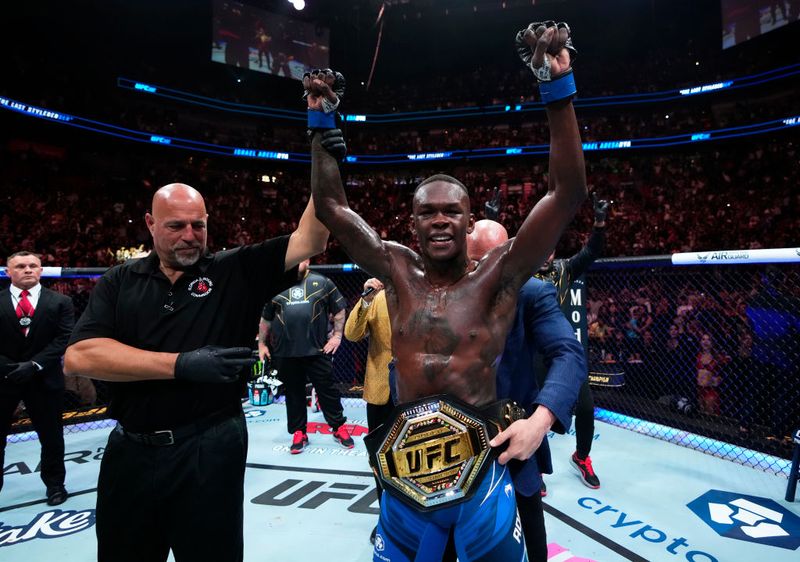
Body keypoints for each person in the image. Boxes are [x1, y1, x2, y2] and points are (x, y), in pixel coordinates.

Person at [307, 20, 587, 561]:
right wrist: (320, 122)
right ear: (412, 224)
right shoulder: (395, 270)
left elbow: (567, 192)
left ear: (467, 220)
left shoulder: (500, 278)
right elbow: (333, 210)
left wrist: (557, 89)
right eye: (427, 212)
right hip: (406, 469)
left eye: (451, 212)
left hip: (483, 464)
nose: (439, 221)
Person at [63, 182, 328, 562]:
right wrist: (181, 364)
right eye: (176, 226)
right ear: (150, 224)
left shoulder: (233, 270)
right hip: (130, 449)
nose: (190, 237)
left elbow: (311, 238)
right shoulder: (119, 281)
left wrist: (323, 164)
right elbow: (80, 357)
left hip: (210, 445)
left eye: (198, 226)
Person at [460, 220, 586, 562]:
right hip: (456, 437)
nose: (484, 270)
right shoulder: (447, 293)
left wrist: (539, 421)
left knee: (529, 518)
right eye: (475, 262)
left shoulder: (531, 292)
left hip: (512, 432)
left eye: (494, 260)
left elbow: (569, 353)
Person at [534, 191, 609, 490]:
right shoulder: (521, 273)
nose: (547, 252)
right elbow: (499, 256)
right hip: (534, 353)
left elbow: (591, 253)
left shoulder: (564, 269)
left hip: (563, 352)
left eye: (550, 247)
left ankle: (582, 456)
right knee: (534, 410)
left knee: (587, 408)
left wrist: (600, 223)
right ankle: (536, 468)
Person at [0, 251, 75, 506]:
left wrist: (34, 364)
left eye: (33, 266)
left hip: (43, 378)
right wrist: (9, 367)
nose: (28, 270)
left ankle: (55, 485)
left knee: (52, 436)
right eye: (21, 266)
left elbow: (64, 338)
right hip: (3, 379)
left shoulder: (60, 302)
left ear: (41, 270)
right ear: (8, 272)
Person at [258, 258, 353, 453]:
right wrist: (261, 344)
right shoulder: (276, 284)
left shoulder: (322, 282)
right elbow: (266, 318)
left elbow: (339, 309)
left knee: (327, 390)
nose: (295, 264)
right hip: (286, 352)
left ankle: (338, 427)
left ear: (307, 260)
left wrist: (336, 336)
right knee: (293, 393)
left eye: (300, 260)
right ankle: (299, 432)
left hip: (317, 350)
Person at [344, 277, 395, 544]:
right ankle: (387, 521)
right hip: (380, 391)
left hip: (416, 390)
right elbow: (352, 334)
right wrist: (364, 299)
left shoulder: (422, 292)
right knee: (380, 461)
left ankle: (415, 520)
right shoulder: (375, 298)